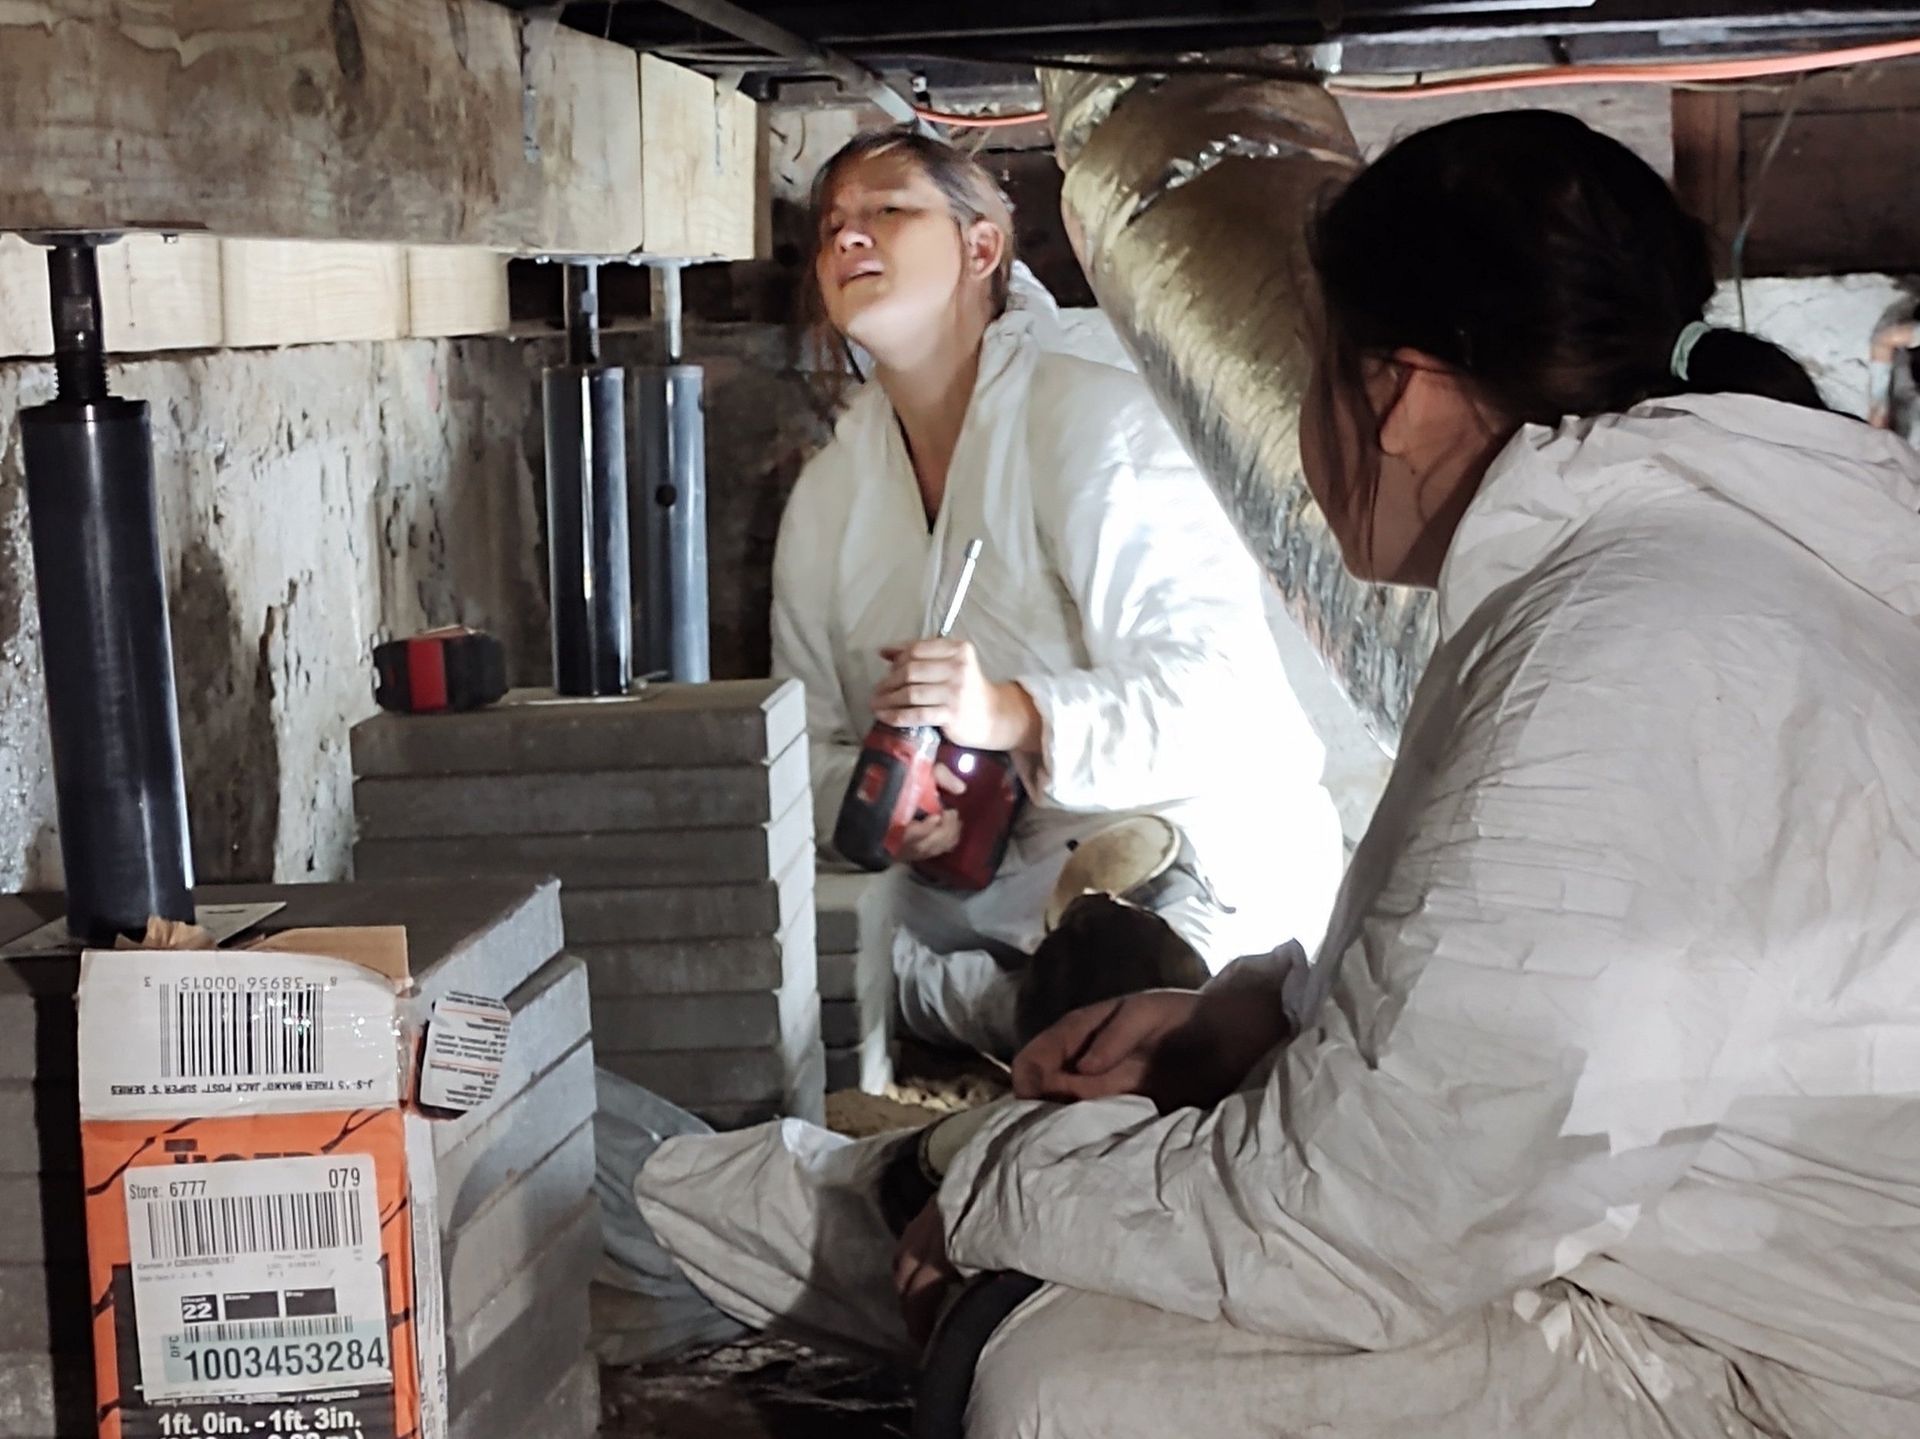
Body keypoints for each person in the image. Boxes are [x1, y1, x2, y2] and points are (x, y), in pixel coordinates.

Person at [639, 110, 1920, 1437]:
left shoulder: (1616, 646)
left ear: (1400, 395)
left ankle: (850, 1195)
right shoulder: (1659, 575)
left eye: (1313, 369)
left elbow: (1361, 1219)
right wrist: (1264, 1019)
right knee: (934, 1220)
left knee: (1053, 1373)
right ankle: (755, 1195)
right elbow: (1553, 1006)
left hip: (1777, 1365)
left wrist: (996, 1184)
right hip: (1657, 1249)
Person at [771, 128, 1344, 1058]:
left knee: (1124, 973)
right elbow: (797, 749)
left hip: (1169, 880)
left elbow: (1223, 699)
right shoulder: (828, 496)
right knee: (806, 942)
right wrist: (896, 813)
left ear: (980, 246)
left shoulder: (1094, 424)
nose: (849, 239)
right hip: (959, 915)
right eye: (833, 224)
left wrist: (1011, 713)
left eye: (888, 211)